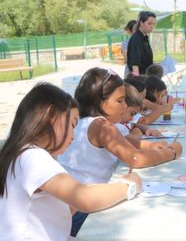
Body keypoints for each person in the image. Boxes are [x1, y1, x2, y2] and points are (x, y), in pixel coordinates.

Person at [0, 83, 141, 240]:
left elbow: (52, 209)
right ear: (51, 117)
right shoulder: (33, 158)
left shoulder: (19, 154)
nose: (73, 135)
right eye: (73, 124)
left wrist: (89, 192)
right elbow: (85, 198)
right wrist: (129, 186)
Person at [58, 68, 182, 236]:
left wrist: (152, 146)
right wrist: (171, 152)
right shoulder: (101, 126)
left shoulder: (85, 122)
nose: (124, 106)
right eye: (120, 101)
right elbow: (136, 158)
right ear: (100, 102)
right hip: (80, 213)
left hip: (69, 206)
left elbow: (128, 142)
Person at [127, 11, 156, 75]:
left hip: (146, 77)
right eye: (149, 23)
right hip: (140, 79)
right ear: (141, 23)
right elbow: (135, 65)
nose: (152, 26)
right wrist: (138, 81)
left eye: (154, 24)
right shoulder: (136, 39)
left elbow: (146, 62)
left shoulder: (145, 38)